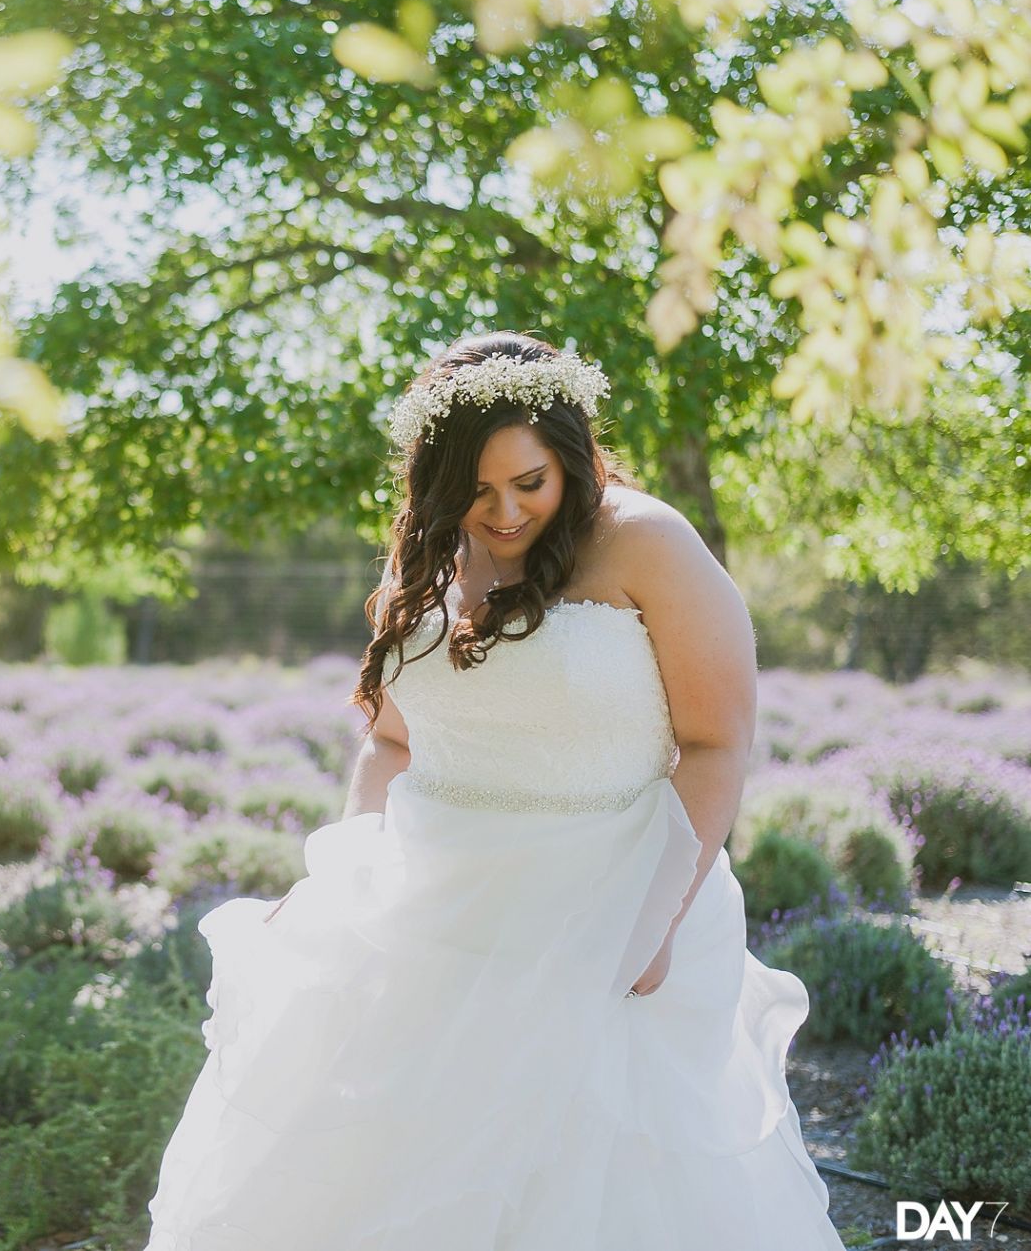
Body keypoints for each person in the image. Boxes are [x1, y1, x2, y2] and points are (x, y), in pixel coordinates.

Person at [140, 330, 846, 1250]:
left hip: (604, 908)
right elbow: (391, 743)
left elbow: (717, 742)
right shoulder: (427, 558)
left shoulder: (649, 542)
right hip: (432, 917)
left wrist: (659, 916)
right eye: (476, 491)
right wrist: (347, 885)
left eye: (530, 483)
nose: (504, 512)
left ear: (573, 458)